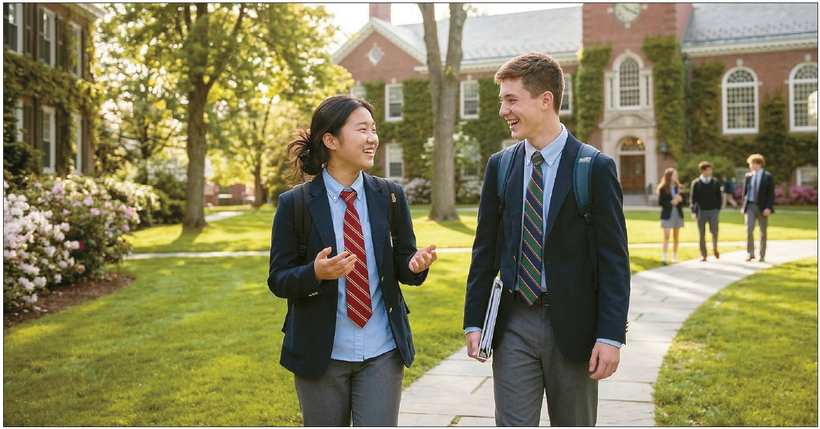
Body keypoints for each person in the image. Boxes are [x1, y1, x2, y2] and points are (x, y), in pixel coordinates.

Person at [463, 52, 631, 426]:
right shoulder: (501, 166)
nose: (503, 110)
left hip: (574, 329)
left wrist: (610, 336)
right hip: (513, 325)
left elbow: (614, 262)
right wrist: (474, 321)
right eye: (501, 100)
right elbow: (485, 251)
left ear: (545, 99)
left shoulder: (595, 168)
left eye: (511, 100)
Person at [267, 94, 437, 426]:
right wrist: (315, 272)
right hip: (321, 353)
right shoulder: (295, 204)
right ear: (330, 140)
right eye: (362, 129)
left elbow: (403, 260)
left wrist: (415, 265)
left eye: (374, 129)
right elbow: (279, 278)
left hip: (382, 350)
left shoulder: (389, 195)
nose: (373, 138)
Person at [741, 153, 774, 262]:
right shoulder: (748, 176)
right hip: (750, 205)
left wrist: (768, 207)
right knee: (749, 228)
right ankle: (750, 253)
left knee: (762, 231)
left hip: (762, 206)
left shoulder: (767, 177)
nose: (751, 166)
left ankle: (762, 254)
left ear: (759, 164)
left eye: (752, 164)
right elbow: (745, 193)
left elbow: (771, 194)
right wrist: (743, 207)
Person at [690, 161, 722, 261]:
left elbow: (719, 197)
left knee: (714, 231)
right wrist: (694, 211)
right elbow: (693, 199)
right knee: (701, 233)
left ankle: (715, 248)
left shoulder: (715, 182)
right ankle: (703, 254)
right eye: (708, 170)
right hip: (701, 211)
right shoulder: (696, 183)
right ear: (703, 171)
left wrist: (717, 208)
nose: (710, 171)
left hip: (713, 210)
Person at [657, 167, 684, 265]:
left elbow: (685, 200)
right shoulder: (663, 188)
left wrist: (680, 199)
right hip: (667, 213)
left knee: (676, 236)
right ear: (669, 176)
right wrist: (671, 202)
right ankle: (664, 258)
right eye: (674, 175)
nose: (676, 176)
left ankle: (674, 257)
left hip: (677, 213)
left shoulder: (679, 188)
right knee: (667, 235)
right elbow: (661, 202)